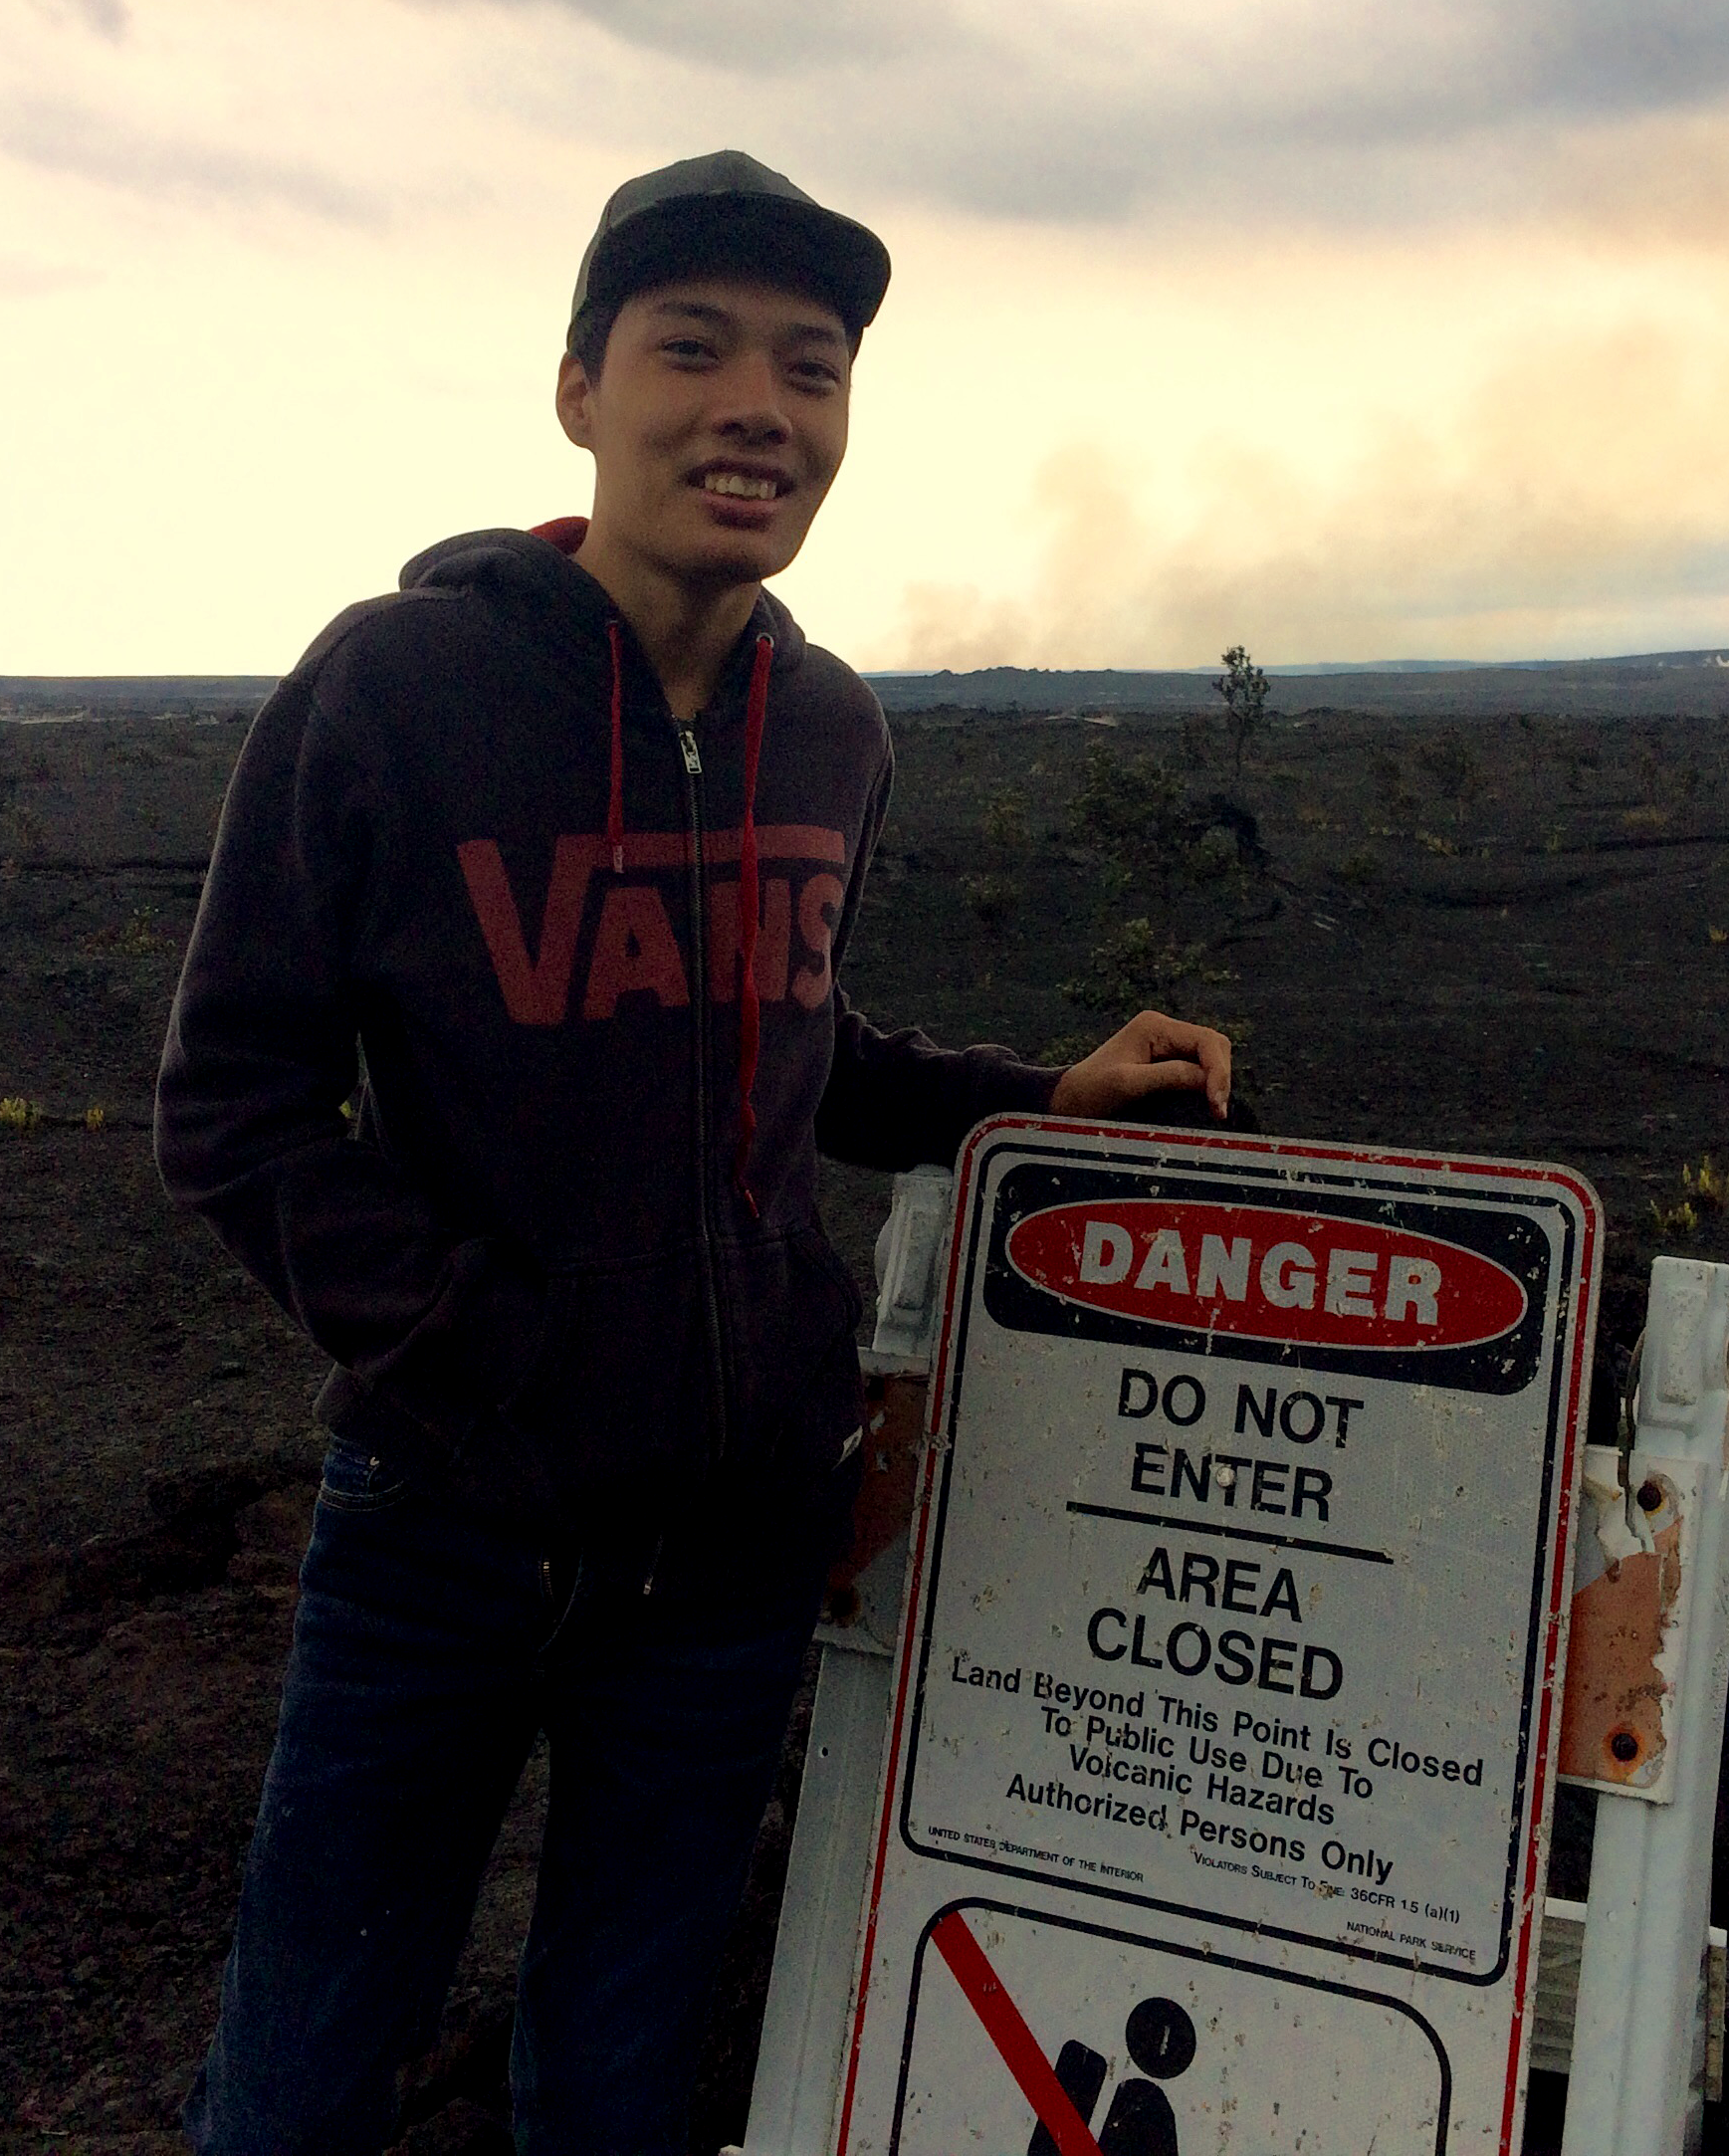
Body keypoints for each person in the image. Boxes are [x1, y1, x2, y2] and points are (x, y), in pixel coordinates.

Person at [153, 149, 1234, 2153]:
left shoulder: (825, 731)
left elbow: (795, 1049)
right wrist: (481, 1345)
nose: (762, 406)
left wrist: (1036, 1102)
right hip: (445, 1531)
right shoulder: (392, 693)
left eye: (812, 370)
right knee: (302, 2077)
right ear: (579, 390)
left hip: (728, 1558)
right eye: (696, 349)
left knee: (626, 2086)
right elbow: (231, 1102)